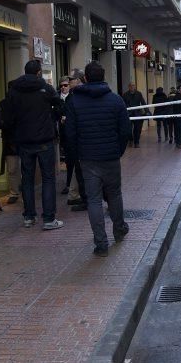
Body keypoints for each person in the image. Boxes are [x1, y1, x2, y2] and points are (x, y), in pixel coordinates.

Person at [64, 61, 131, 257]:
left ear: (86, 78)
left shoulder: (75, 101)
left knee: (93, 200)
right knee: (115, 195)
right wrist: (118, 150)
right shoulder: (116, 100)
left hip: (88, 158)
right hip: (110, 157)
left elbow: (70, 133)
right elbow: (125, 130)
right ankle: (119, 229)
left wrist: (77, 154)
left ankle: (101, 243)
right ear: (103, 77)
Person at [7, 60, 63, 230]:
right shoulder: (45, 88)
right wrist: (51, 118)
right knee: (48, 178)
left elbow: (9, 113)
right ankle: (48, 219)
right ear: (39, 72)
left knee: (27, 179)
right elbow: (60, 105)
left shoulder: (14, 89)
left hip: (24, 140)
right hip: (44, 139)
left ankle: (29, 217)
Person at [62, 70, 88, 211]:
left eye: (71, 79)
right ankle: (74, 194)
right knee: (77, 170)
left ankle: (86, 198)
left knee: (83, 171)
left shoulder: (77, 97)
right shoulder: (72, 96)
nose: (69, 81)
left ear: (78, 80)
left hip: (80, 141)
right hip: (78, 141)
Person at [0, 81, 20, 205]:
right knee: (13, 169)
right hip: (12, 141)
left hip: (18, 140)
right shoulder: (3, 104)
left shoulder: (20, 103)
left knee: (14, 169)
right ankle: (14, 192)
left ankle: (16, 191)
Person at [122, 83, 147, 148]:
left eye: (133, 86)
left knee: (137, 129)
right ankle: (130, 139)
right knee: (128, 129)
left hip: (137, 114)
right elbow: (123, 104)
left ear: (135, 86)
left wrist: (147, 111)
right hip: (129, 114)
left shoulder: (139, 94)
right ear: (129, 87)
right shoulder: (125, 95)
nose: (132, 87)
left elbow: (143, 102)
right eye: (131, 86)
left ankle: (136, 142)